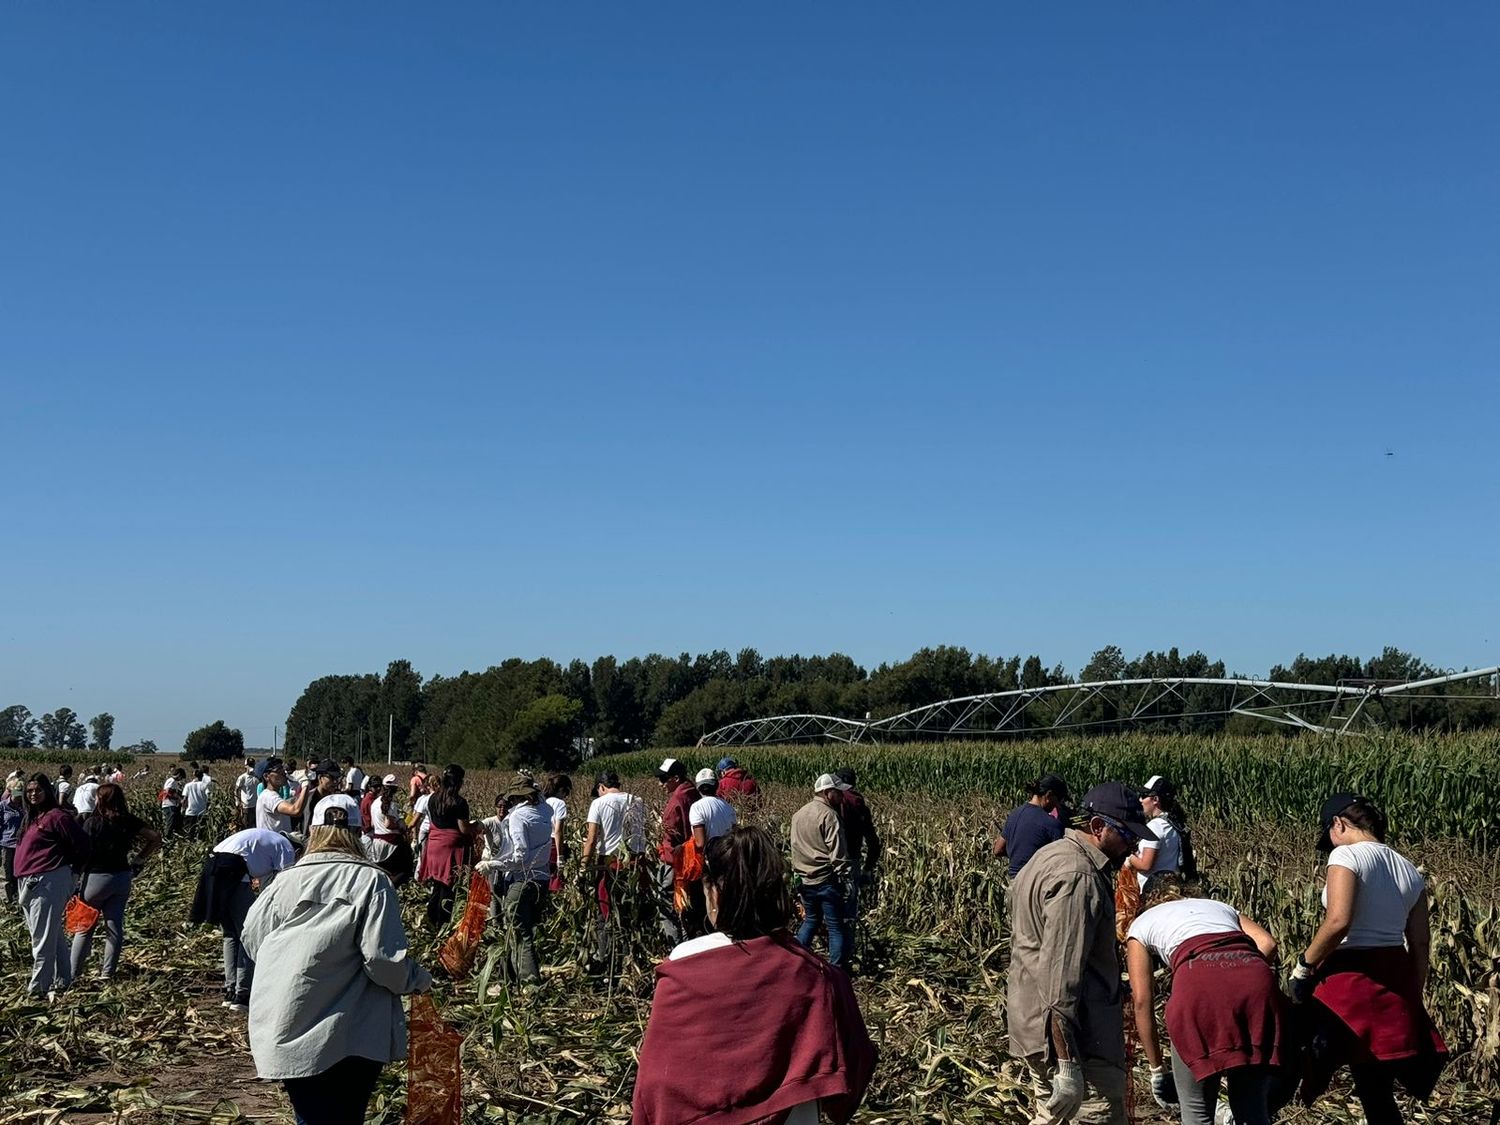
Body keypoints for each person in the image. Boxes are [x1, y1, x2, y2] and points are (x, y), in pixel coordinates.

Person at [633, 826, 876, 1125]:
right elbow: (854, 1068)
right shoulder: (817, 974)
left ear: (714, 895)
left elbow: (656, 1082)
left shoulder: (683, 964)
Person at [242, 794, 433, 1124]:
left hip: (292, 1022)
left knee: (310, 1115)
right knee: (346, 1115)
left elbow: (253, 938)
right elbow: (383, 961)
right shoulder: (372, 881)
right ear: (359, 833)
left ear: (313, 831)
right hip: (354, 1032)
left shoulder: (284, 881)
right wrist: (417, 979)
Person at [1289, 794, 1447, 1125]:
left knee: (1299, 1052)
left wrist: (1304, 967)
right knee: (1375, 1088)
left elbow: (1338, 922)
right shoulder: (1408, 868)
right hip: (1393, 976)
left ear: (1338, 824)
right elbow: (1419, 940)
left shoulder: (1345, 855)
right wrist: (1411, 996)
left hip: (1350, 980)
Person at [1008, 781, 1156, 1125]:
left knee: (1051, 1116)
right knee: (1097, 1116)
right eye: (1127, 834)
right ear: (1098, 827)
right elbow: (1061, 977)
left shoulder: (1049, 855)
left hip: (1034, 1024)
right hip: (1080, 1041)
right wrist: (1069, 1066)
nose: (1133, 843)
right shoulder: (1078, 877)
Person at [1126, 874, 1291, 1125]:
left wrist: (1156, 1069)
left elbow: (1141, 1000)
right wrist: (1235, 975)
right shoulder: (1218, 907)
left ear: (1147, 899)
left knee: (1197, 1113)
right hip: (1255, 983)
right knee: (1252, 1109)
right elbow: (1267, 943)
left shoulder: (1142, 923)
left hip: (1198, 989)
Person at [190, 824, 297, 1010]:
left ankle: (230, 989)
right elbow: (284, 883)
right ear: (297, 848)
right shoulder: (286, 847)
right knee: (250, 934)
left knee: (231, 934)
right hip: (232, 870)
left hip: (213, 867)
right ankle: (242, 994)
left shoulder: (268, 840)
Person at [70, 782, 162, 982]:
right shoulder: (128, 820)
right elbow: (155, 838)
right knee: (114, 927)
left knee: (84, 928)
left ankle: (74, 974)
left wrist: (75, 878)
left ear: (101, 799)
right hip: (121, 877)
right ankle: (107, 974)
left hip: (95, 879)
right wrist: (139, 861)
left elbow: (82, 851)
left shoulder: (93, 822)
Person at [15, 773, 90, 999]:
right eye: (29, 791)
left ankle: (39, 988)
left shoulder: (57, 816)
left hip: (48, 879)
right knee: (53, 935)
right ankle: (62, 980)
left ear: (48, 791)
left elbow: (83, 845)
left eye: (38, 790)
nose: (33, 794)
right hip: (30, 881)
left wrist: (73, 873)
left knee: (42, 939)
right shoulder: (33, 817)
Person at [581, 770, 650, 967]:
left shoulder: (599, 803)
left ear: (600, 787)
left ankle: (607, 962)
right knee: (629, 914)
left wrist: (583, 867)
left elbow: (592, 839)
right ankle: (630, 961)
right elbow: (643, 833)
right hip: (635, 863)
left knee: (606, 914)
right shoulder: (637, 801)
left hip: (610, 864)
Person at [791, 774, 853, 970]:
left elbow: (794, 846)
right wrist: (846, 875)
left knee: (811, 920)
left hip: (805, 879)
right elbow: (838, 851)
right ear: (828, 793)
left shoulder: (799, 814)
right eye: (839, 792)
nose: (842, 796)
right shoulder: (829, 815)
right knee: (836, 926)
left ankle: (797, 962)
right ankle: (837, 970)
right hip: (826, 879)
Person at [495, 783, 553, 983]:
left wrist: (495, 864)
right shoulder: (545, 812)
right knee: (521, 929)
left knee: (520, 931)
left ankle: (529, 981)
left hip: (522, 879)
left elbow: (520, 854)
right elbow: (544, 802)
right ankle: (510, 977)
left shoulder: (518, 817)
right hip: (541, 880)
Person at [832, 766, 881, 957]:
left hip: (832, 861)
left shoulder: (833, 804)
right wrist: (868, 869)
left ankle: (833, 955)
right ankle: (848, 952)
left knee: (831, 909)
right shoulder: (861, 806)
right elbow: (873, 842)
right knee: (849, 911)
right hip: (853, 861)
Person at [415, 765, 471, 928]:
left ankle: (431, 920)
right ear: (459, 782)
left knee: (437, 885)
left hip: (434, 845)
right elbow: (464, 829)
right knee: (448, 887)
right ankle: (442, 923)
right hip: (450, 848)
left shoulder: (432, 799)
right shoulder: (459, 802)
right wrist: (478, 827)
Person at [655, 757, 702, 942]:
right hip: (694, 861)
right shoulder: (693, 793)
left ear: (675, 778)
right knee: (692, 904)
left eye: (663, 779)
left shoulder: (677, 800)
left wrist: (661, 851)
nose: (661, 784)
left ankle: (673, 945)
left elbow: (671, 835)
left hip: (675, 861)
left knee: (667, 904)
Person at [994, 773, 1072, 877]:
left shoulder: (1015, 814)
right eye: (1058, 800)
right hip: (1036, 884)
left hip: (1014, 883)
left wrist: (1018, 855)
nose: (1057, 805)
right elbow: (1062, 862)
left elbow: (997, 850)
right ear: (1049, 795)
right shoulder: (1052, 824)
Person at [1126, 775, 1192, 889]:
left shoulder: (1155, 827)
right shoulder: (1173, 824)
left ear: (1155, 799)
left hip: (1152, 890)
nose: (1140, 800)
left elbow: (1145, 865)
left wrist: (1128, 857)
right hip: (1171, 886)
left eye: (1144, 796)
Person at [364, 774, 413, 886]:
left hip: (377, 842)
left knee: (383, 872)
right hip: (392, 843)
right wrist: (401, 826)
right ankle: (391, 889)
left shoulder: (375, 803)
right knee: (405, 870)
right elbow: (388, 824)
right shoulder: (390, 803)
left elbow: (372, 823)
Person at [255, 759, 310, 834]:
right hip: (273, 844)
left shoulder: (273, 795)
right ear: (266, 776)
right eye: (279, 770)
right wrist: (305, 784)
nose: (284, 773)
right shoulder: (268, 796)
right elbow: (295, 810)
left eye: (282, 768)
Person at [689, 767, 737, 850]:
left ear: (698, 787)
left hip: (710, 859)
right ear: (716, 785)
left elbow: (700, 844)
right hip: (729, 856)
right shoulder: (728, 806)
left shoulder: (696, 808)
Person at [542, 773, 572, 892]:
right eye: (567, 792)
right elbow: (558, 831)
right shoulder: (560, 804)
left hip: (542, 843)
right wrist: (560, 856)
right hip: (554, 846)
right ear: (561, 790)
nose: (566, 796)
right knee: (556, 880)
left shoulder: (543, 802)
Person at [1, 776, 24, 904]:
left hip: (21, 846)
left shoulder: (24, 808)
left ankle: (19, 899)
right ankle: (6, 901)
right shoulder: (3, 806)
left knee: (19, 874)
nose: (19, 795)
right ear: (10, 791)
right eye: (17, 791)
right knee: (6, 875)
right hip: (6, 845)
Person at [182, 768, 214, 839]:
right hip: (202, 812)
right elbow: (209, 797)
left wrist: (183, 808)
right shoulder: (204, 785)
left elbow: (184, 799)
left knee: (189, 831)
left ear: (194, 775)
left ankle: (189, 845)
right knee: (201, 832)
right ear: (202, 776)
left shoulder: (188, 785)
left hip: (190, 812)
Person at [159, 767, 186, 838]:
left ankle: (172, 836)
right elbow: (168, 792)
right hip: (169, 804)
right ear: (179, 775)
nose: (180, 779)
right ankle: (167, 837)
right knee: (170, 822)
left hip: (172, 804)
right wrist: (179, 798)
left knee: (175, 822)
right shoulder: (171, 781)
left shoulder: (174, 782)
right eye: (181, 777)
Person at [234, 758, 259, 829]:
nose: (252, 766)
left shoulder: (256, 777)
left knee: (255, 826)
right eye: (250, 765)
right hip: (246, 806)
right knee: (246, 826)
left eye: (253, 765)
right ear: (246, 766)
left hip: (255, 805)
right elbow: (236, 790)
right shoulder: (242, 778)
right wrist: (237, 801)